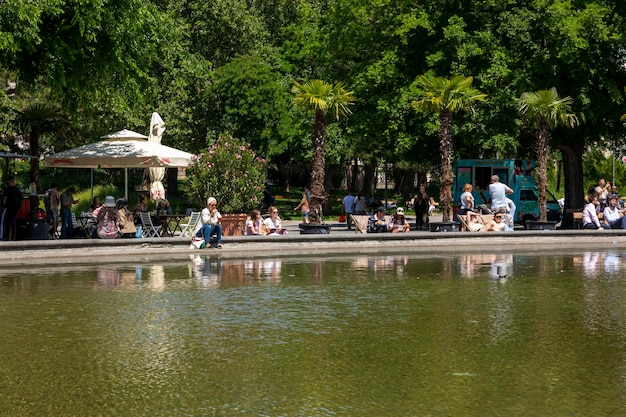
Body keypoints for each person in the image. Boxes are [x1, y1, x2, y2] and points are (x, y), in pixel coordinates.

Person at [2, 176, 22, 241]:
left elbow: (4, 199)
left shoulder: (7, 189)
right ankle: (13, 236)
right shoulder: (17, 190)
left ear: (9, 181)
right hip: (15, 208)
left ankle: (5, 236)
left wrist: (3, 204)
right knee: (13, 222)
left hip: (8, 207)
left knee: (5, 222)